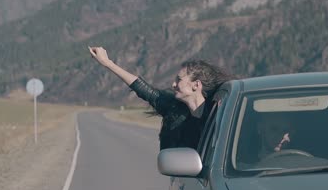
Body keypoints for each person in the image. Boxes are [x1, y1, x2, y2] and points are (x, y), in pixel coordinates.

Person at [88, 46, 235, 150]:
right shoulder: (173, 108)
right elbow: (143, 89)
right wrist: (108, 63)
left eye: (179, 80)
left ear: (195, 85)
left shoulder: (221, 113)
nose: (173, 84)